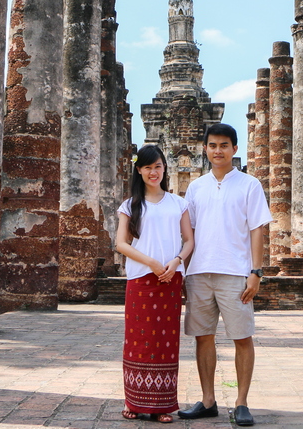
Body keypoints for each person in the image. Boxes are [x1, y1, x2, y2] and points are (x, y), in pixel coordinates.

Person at [179, 123, 271, 427]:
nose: (218, 151)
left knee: (242, 337)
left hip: (236, 272)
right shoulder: (196, 187)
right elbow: (188, 234)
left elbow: (257, 229)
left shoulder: (249, 184)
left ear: (234, 149)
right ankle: (207, 400)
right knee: (203, 337)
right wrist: (182, 271)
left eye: (224, 145)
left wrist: (256, 271)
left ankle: (241, 401)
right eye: (212, 145)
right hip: (200, 272)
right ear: (205, 149)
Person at [115, 144, 195, 424]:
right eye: (148, 167)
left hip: (170, 279)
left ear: (165, 168)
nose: (154, 172)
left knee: (165, 341)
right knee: (138, 340)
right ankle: (134, 403)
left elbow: (189, 240)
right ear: (139, 170)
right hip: (141, 279)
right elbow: (121, 243)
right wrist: (150, 262)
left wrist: (176, 262)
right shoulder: (130, 205)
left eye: (158, 166)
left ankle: (162, 405)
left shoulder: (178, 203)